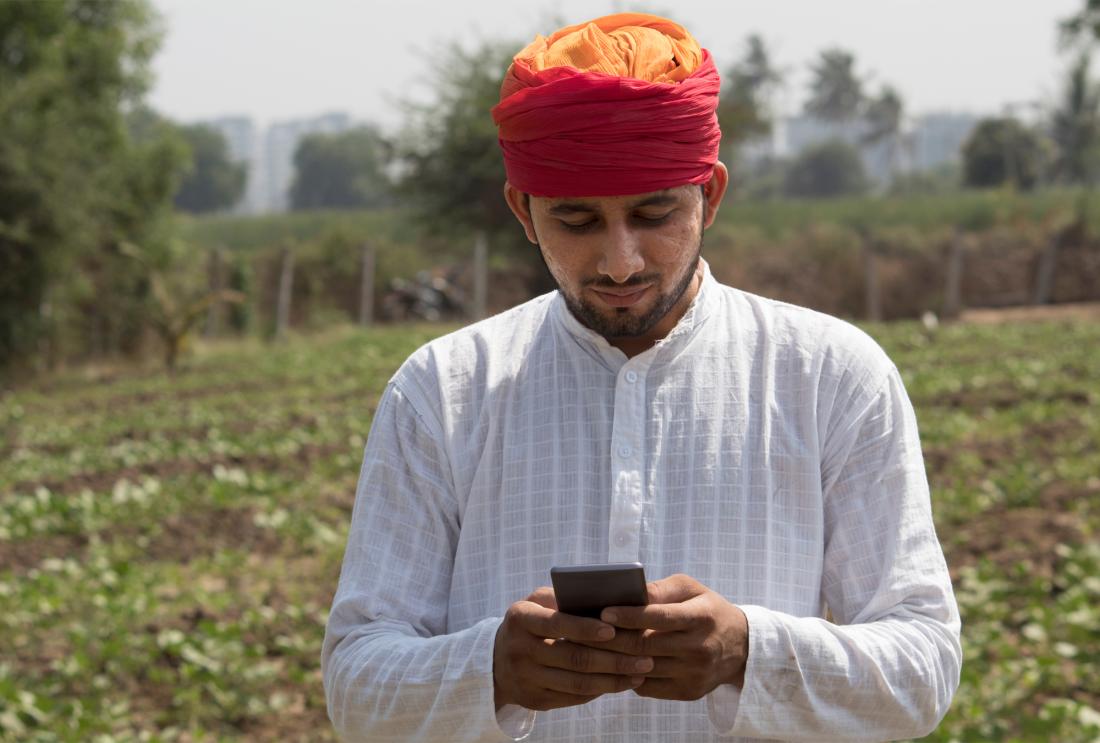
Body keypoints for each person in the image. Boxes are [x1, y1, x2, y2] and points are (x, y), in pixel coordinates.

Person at [321, 12, 961, 742]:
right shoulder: (440, 391)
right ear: (522, 213)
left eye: (655, 213)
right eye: (578, 221)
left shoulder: (832, 377)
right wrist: (493, 670)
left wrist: (749, 652)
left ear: (710, 196)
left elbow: (924, 665)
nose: (620, 261)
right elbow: (355, 684)